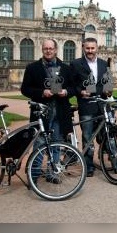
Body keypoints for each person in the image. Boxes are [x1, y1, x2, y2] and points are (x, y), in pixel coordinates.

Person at [21, 39, 75, 184]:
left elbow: (73, 88)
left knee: (57, 143)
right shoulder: (33, 68)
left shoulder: (65, 68)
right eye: (46, 48)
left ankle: (53, 173)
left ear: (56, 50)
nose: (48, 51)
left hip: (60, 112)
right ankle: (34, 175)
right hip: (41, 112)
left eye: (51, 48)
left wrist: (66, 91)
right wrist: (41, 92)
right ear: (42, 50)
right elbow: (25, 89)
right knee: (39, 144)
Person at [70, 37, 110, 177]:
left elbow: (107, 82)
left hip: (102, 104)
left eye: (92, 48)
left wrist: (108, 89)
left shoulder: (104, 64)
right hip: (86, 105)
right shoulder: (75, 64)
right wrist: (80, 91)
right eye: (88, 48)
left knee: (107, 134)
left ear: (97, 48)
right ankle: (88, 166)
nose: (90, 51)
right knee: (88, 137)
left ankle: (111, 162)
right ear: (83, 48)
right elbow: (71, 85)